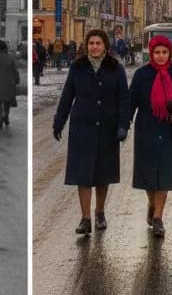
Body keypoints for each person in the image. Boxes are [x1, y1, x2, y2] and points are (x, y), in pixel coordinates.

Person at [53, 28, 131, 235]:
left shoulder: (116, 68)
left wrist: (124, 125)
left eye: (98, 43)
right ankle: (85, 218)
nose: (94, 47)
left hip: (107, 128)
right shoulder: (77, 68)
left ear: (105, 45)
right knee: (83, 175)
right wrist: (59, 122)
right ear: (86, 46)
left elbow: (124, 99)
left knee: (102, 175)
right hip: (83, 128)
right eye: (91, 43)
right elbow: (67, 96)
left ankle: (100, 212)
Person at [128, 34, 172, 239]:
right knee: (148, 176)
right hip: (146, 128)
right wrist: (124, 124)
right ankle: (151, 202)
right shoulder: (141, 75)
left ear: (169, 53)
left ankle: (158, 218)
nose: (160, 56)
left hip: (168, 130)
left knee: (164, 175)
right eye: (157, 52)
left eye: (164, 52)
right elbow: (131, 102)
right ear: (151, 53)